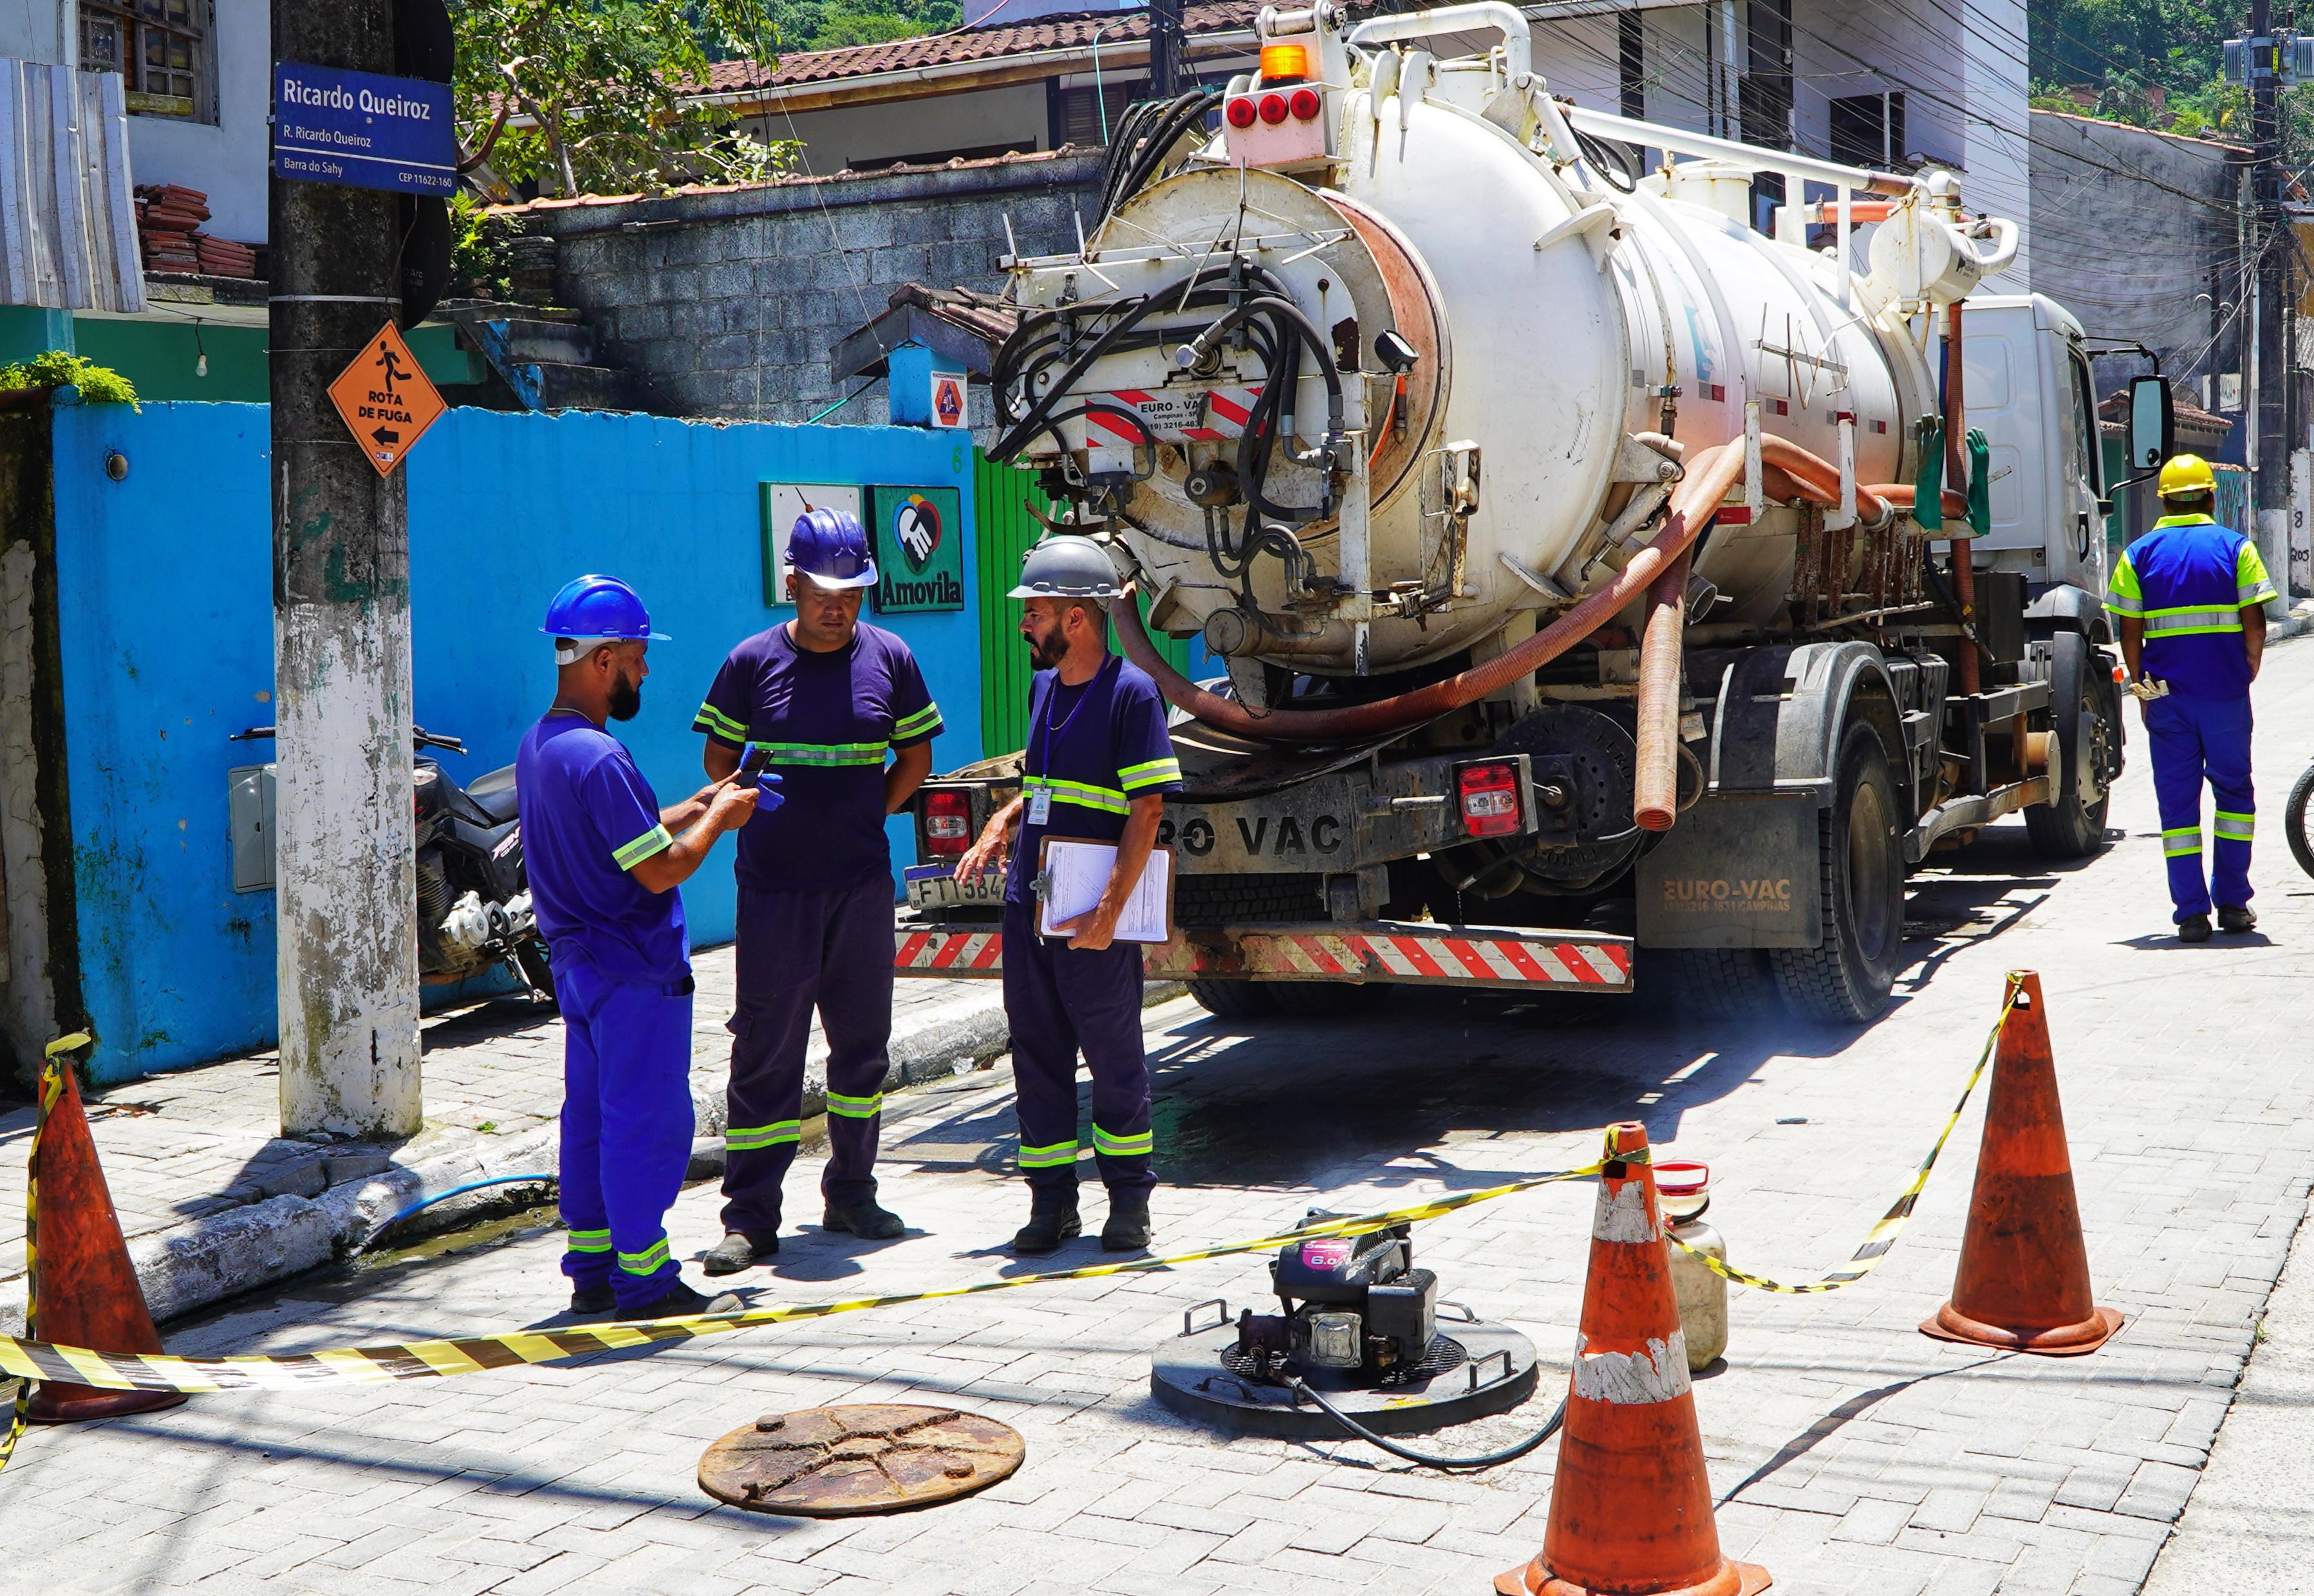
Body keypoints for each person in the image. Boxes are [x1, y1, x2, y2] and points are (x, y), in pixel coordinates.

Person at [516, 575, 776, 1319]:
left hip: (580, 968)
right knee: (645, 1124)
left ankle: (592, 1268)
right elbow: (659, 869)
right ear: (602, 660)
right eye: (636, 658)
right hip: (633, 970)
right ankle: (645, 1281)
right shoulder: (601, 756)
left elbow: (623, 835)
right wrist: (721, 820)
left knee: (592, 1119)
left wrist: (699, 802)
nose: (646, 671)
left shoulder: (544, 745)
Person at [691, 508, 943, 1275]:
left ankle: (852, 1192)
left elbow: (916, 758)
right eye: (824, 592)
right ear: (792, 584)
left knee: (862, 1049)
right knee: (765, 1052)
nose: (838, 607)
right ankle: (750, 1218)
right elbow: (718, 761)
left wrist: (869, 813)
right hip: (775, 890)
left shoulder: (891, 658)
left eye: (852, 592)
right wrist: (755, 803)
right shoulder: (750, 662)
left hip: (861, 887)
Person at [955, 536, 1182, 1255]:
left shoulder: (1131, 694)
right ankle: (1051, 1203)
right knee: (1037, 1054)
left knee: (1113, 1058)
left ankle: (1129, 1201)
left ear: (1076, 619)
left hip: (1092, 918)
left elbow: (1147, 810)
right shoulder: (1044, 689)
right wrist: (1003, 819)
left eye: (1036, 613)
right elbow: (1043, 785)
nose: (1024, 625)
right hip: (1031, 907)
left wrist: (1108, 914)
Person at [2105, 454, 2277, 943]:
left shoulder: (2137, 554)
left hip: (2165, 699)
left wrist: (2140, 689)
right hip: (2224, 694)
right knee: (2234, 796)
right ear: (2210, 498)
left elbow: (2129, 631)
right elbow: (2255, 621)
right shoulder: (2236, 548)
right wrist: (2248, 667)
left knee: (2177, 807)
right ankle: (2234, 905)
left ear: (2163, 502)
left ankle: (2191, 914)